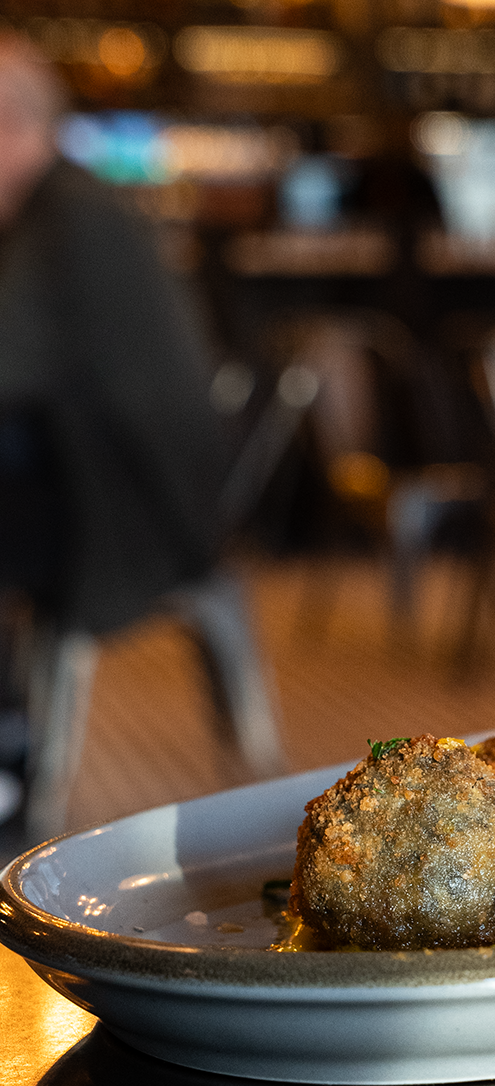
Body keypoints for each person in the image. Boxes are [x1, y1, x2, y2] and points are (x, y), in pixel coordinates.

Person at [0, 31, 229, 634]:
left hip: (133, 512)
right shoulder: (60, 204)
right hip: (101, 479)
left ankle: (11, 723)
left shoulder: (69, 216)